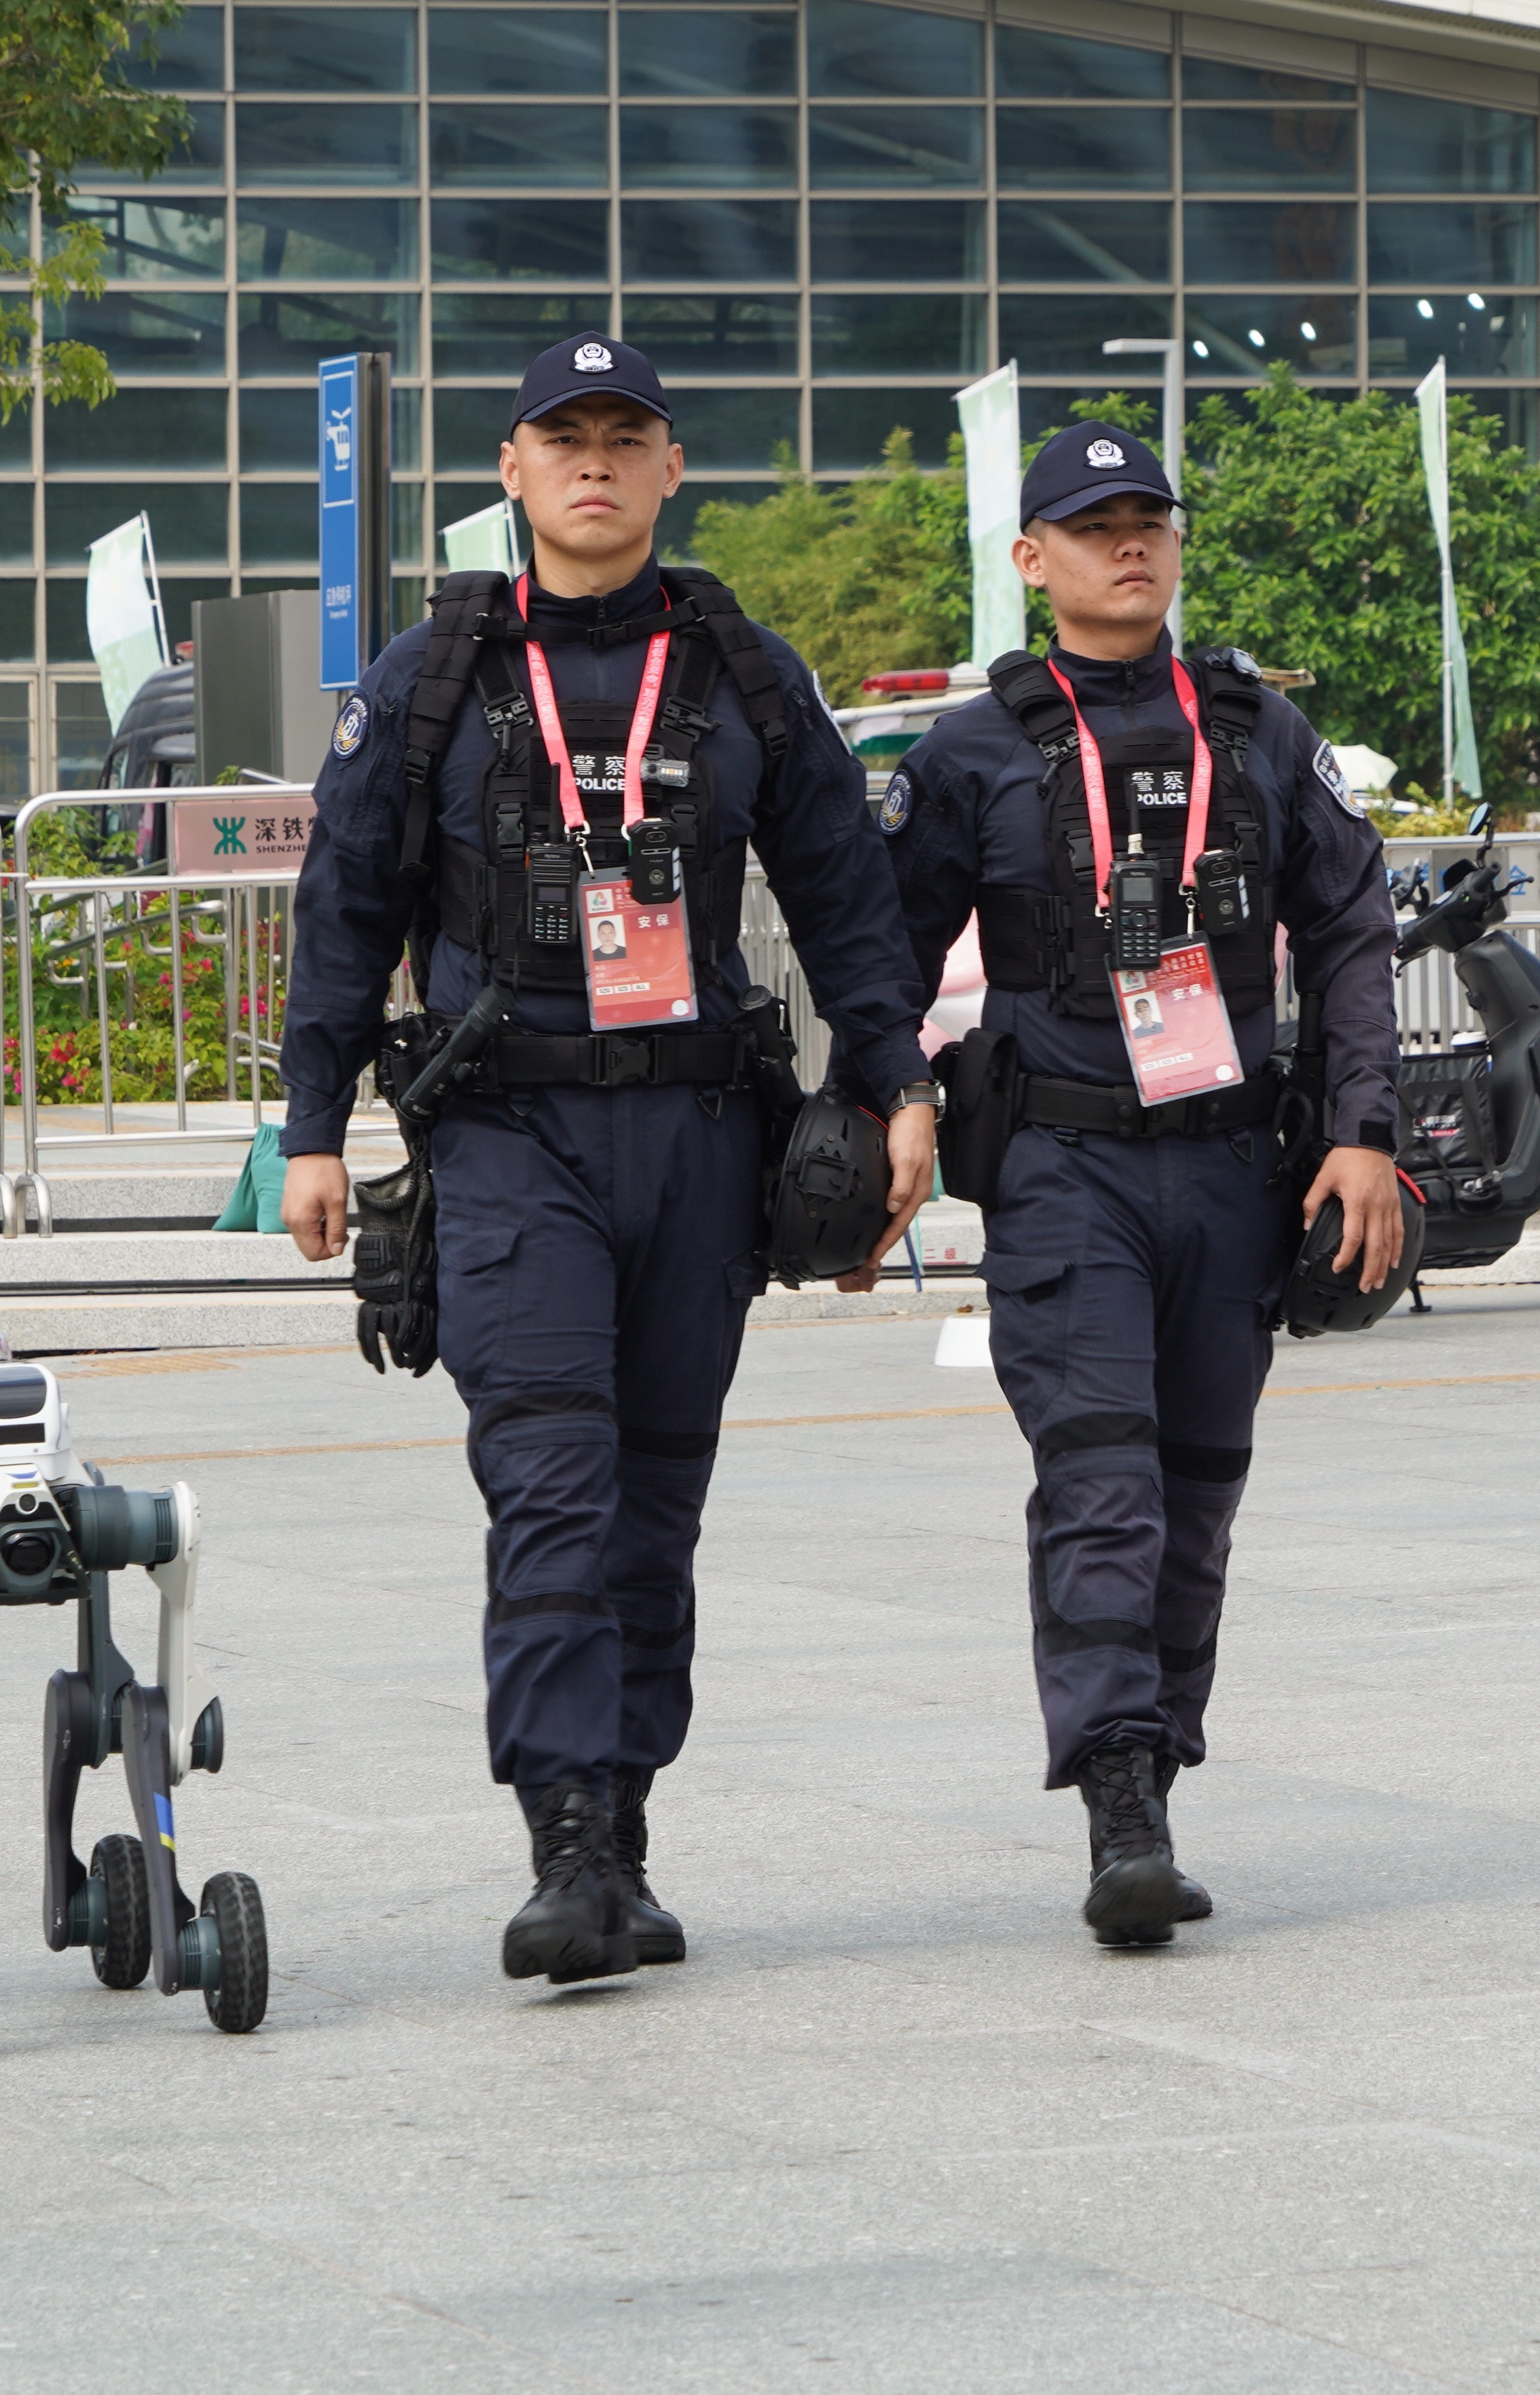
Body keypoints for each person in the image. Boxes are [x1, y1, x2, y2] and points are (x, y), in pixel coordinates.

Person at [277, 333, 939, 1988]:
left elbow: (850, 901)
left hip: (704, 1134)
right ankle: (563, 1833)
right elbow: (344, 913)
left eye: (621, 437)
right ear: (509, 471)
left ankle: (627, 1816)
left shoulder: (742, 670)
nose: (591, 462)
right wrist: (306, 1128)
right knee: (553, 1484)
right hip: (508, 1139)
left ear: (666, 469)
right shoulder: (433, 679)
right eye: (558, 437)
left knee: (655, 1504)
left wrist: (897, 1084)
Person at [880, 421, 1403, 1948]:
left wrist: (1361, 1130)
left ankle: (1158, 1759)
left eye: (1150, 522)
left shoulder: (1258, 730)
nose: (1131, 546)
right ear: (1031, 557)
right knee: (1100, 1477)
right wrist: (887, 1115)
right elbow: (882, 964)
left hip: (1236, 1164)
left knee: (1196, 1494)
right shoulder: (971, 750)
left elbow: (1355, 921)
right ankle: (1121, 1799)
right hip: (1063, 1165)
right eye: (1094, 525)